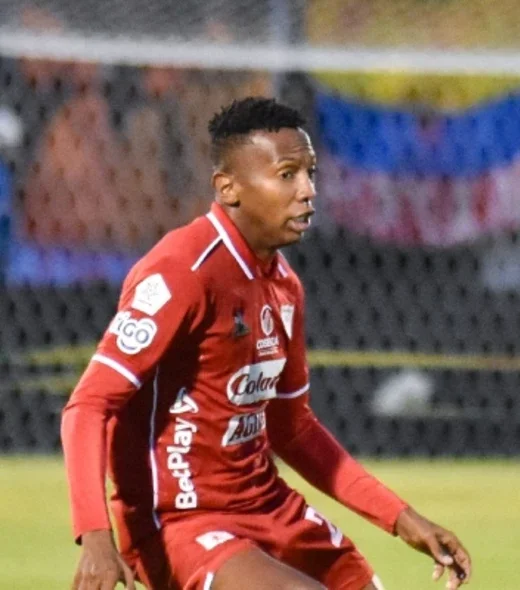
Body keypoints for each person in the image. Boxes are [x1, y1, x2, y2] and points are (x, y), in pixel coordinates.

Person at [61, 97, 472, 590]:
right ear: (228, 188)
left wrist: (404, 519)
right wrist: (95, 538)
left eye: (310, 173)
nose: (308, 192)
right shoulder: (182, 271)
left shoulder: (283, 285)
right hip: (180, 521)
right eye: (287, 175)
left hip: (269, 508)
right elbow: (87, 406)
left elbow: (293, 429)